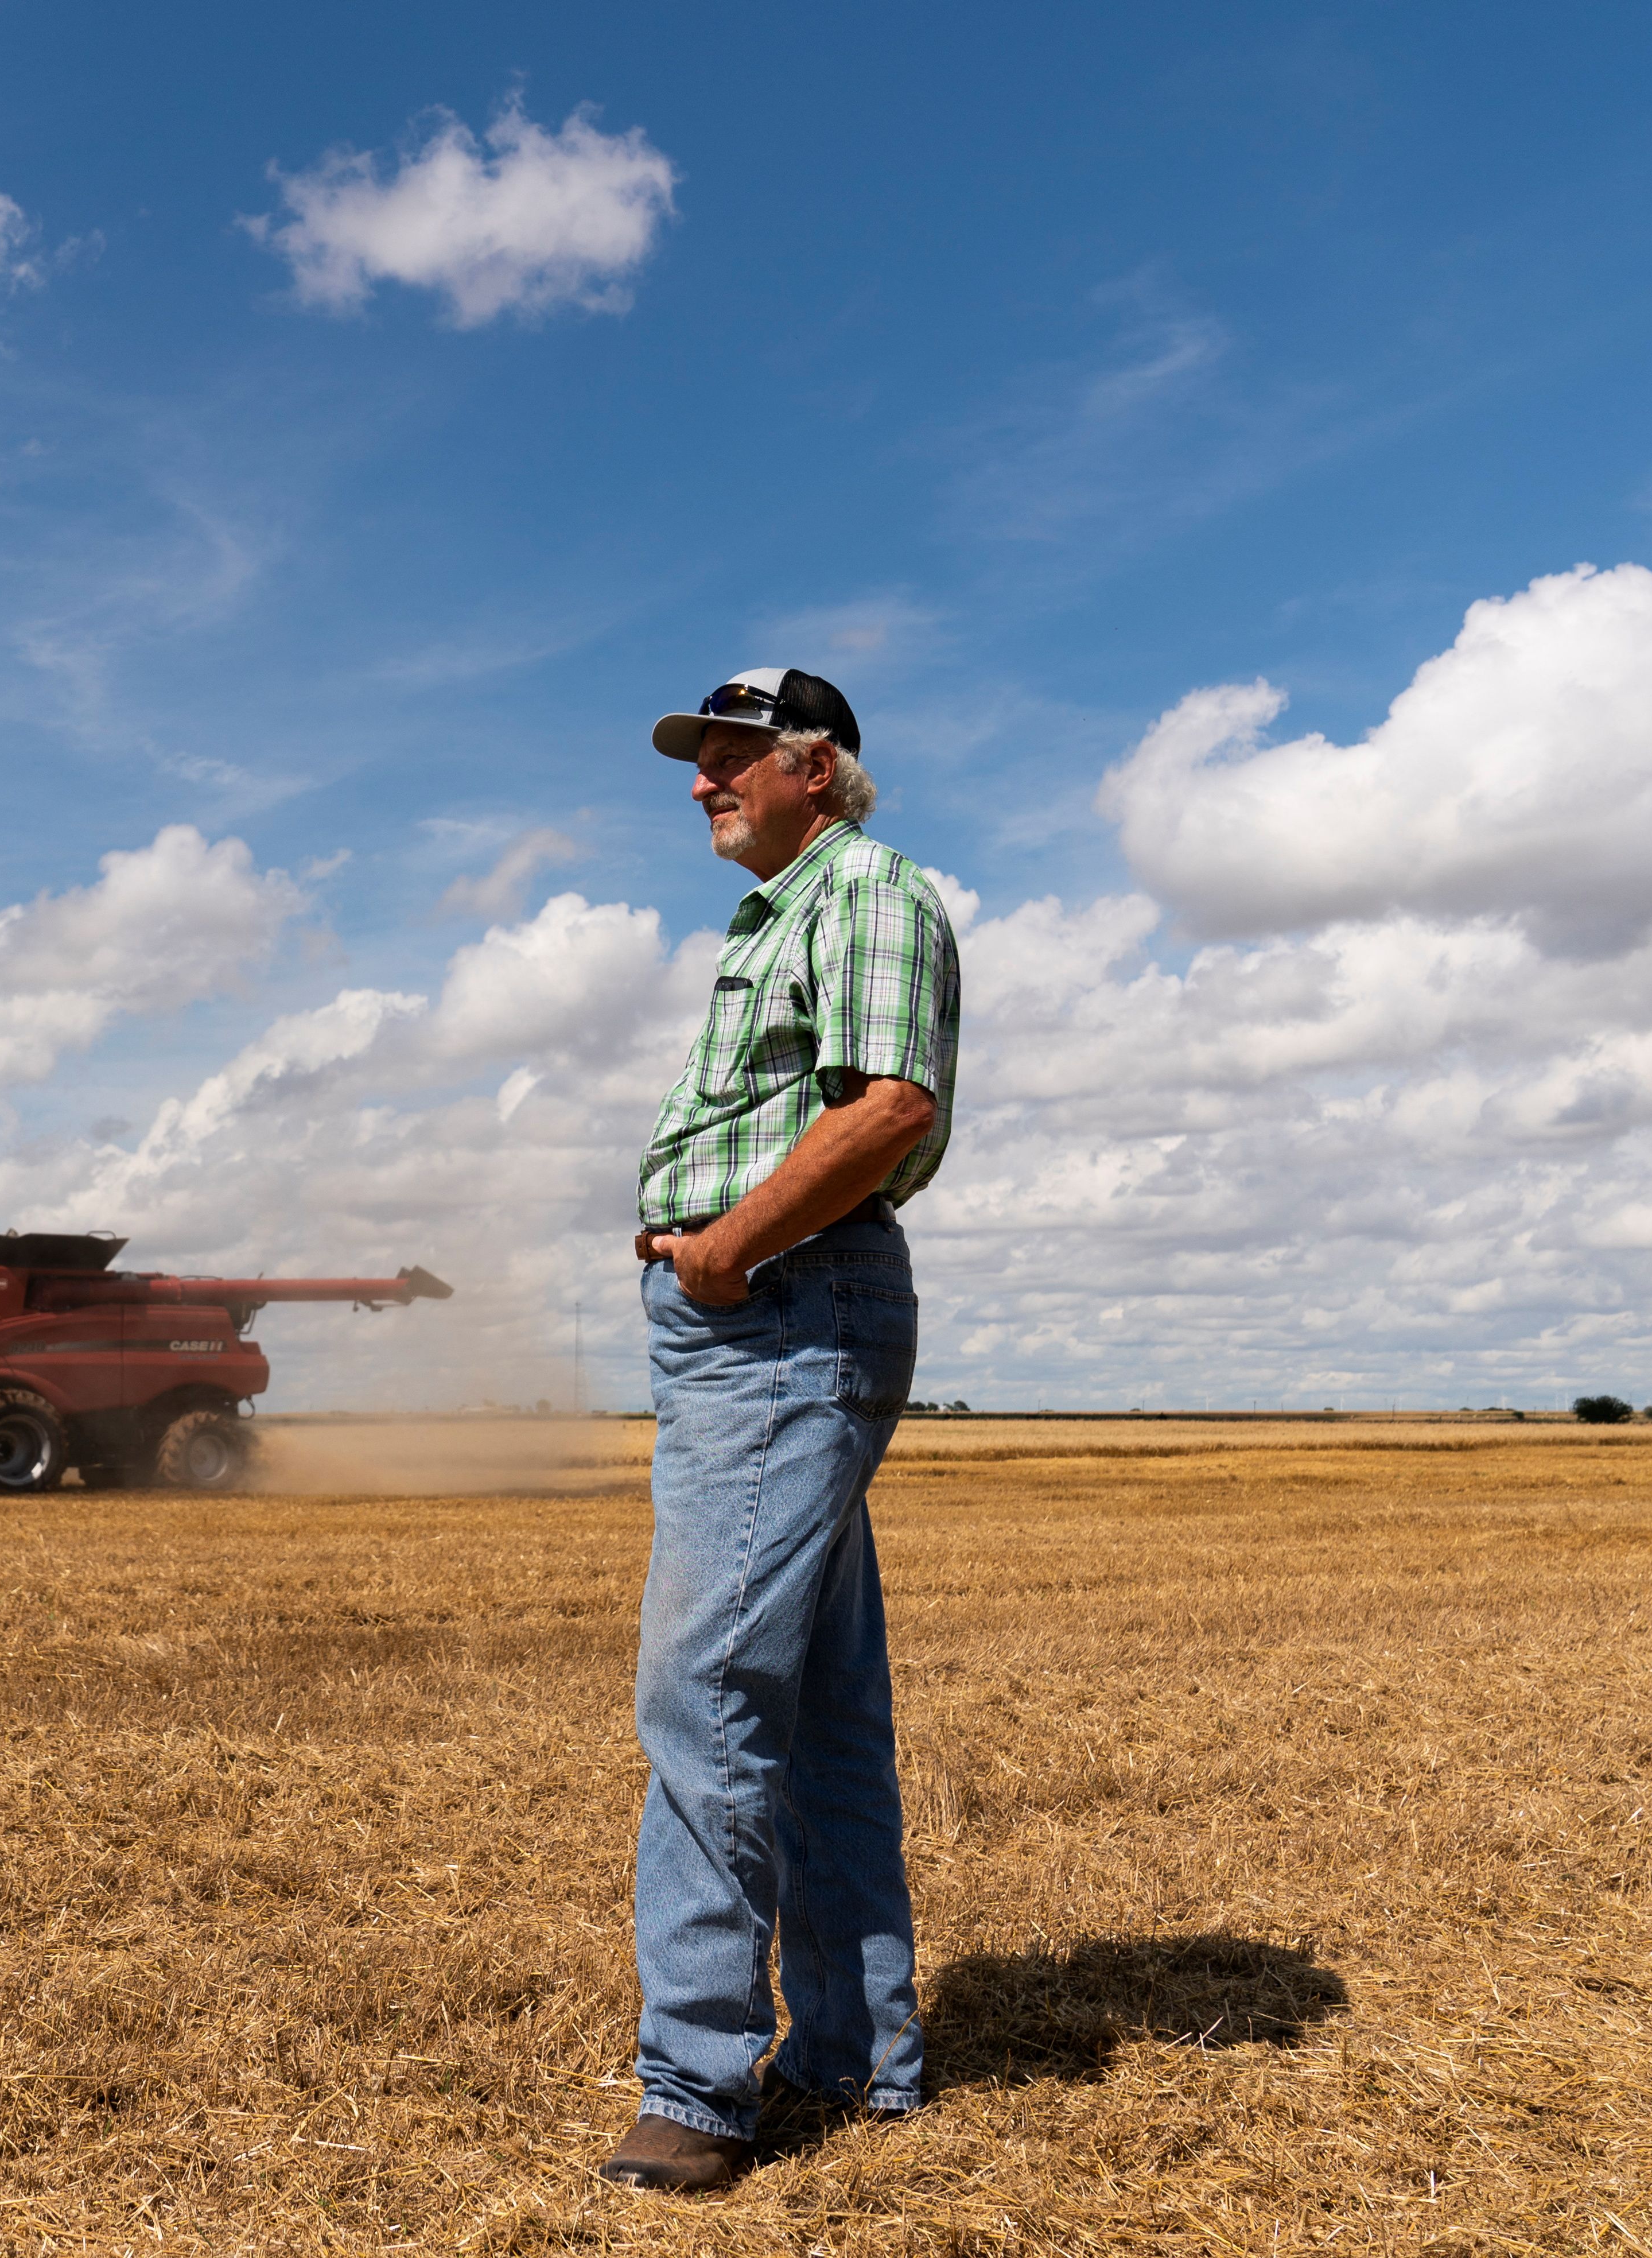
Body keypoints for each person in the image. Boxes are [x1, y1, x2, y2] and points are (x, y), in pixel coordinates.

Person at [598, 667, 962, 2194]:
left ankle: (694, 2082)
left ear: (820, 768)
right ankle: (859, 2059)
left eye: (732, 756)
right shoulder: (782, 911)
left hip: (783, 1311)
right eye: (700, 760)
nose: (702, 781)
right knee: (808, 1707)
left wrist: (731, 1244)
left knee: (706, 1692)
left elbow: (890, 1108)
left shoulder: (867, 891)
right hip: (759, 1311)